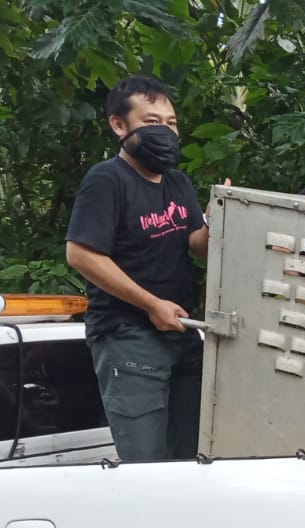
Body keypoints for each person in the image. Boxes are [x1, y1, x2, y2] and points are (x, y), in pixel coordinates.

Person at [65, 75, 208, 462]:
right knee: (146, 467)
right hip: (129, 338)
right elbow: (81, 254)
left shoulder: (178, 183)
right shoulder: (107, 180)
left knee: (194, 461)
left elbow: (198, 244)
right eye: (151, 122)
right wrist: (150, 304)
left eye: (171, 123)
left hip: (183, 337)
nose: (165, 131)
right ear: (118, 124)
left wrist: (229, 220)